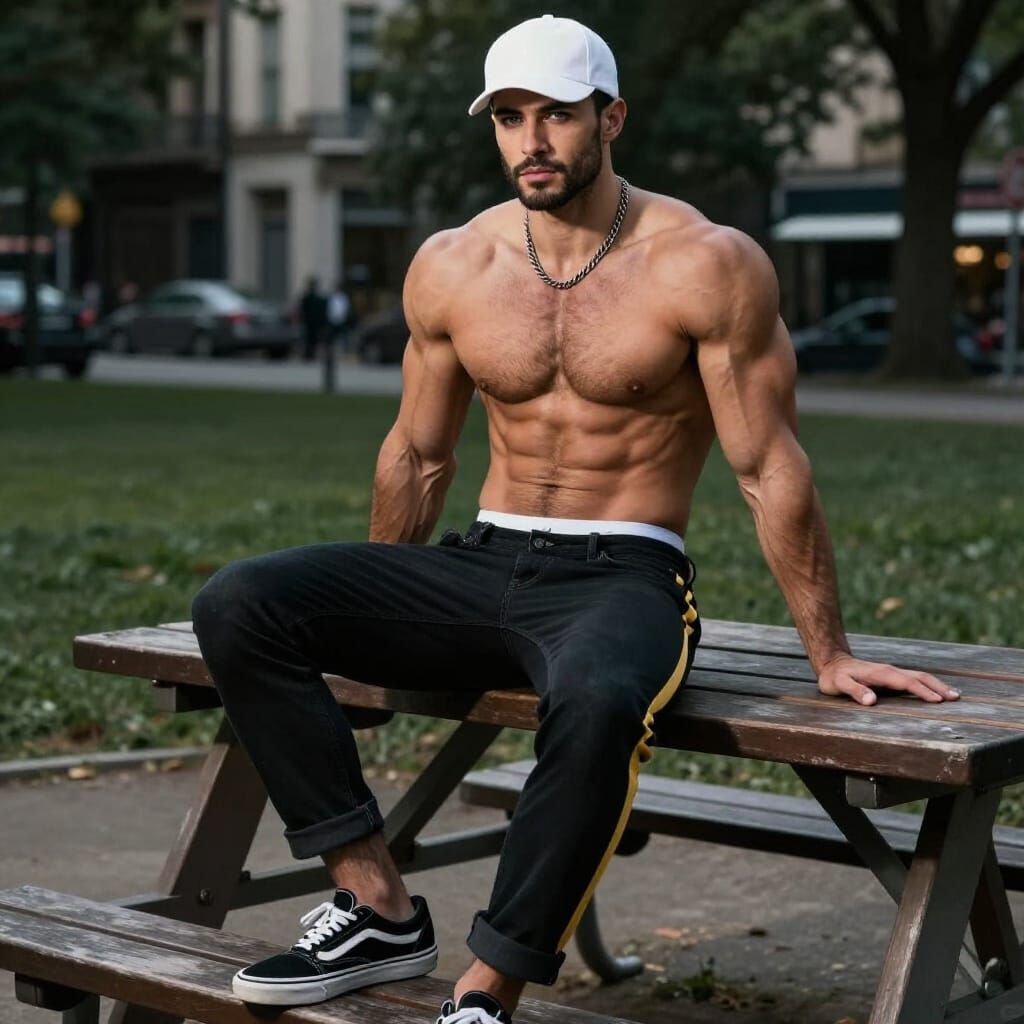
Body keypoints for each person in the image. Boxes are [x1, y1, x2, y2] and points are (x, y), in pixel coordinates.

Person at [190, 15, 960, 1024]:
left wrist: (829, 651)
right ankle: (375, 901)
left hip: (623, 576)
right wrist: (376, 620)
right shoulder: (454, 264)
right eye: (509, 117)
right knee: (239, 602)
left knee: (594, 701)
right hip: (484, 560)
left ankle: (483, 993)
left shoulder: (707, 264)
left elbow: (767, 464)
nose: (531, 139)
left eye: (556, 113)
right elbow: (419, 455)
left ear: (612, 118)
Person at [299, 276, 328, 362]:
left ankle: (310, 354)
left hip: (312, 323)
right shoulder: (308, 298)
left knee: (312, 339)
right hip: (310, 322)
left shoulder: (314, 298)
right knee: (310, 339)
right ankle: (309, 354)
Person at [325, 277, 354, 357]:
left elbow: (346, 308)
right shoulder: (332, 297)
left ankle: (345, 350)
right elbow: (329, 308)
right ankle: (331, 350)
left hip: (341, 320)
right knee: (332, 337)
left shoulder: (343, 297)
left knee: (344, 336)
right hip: (333, 320)